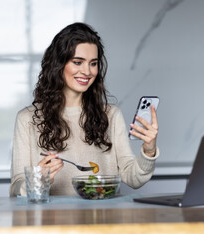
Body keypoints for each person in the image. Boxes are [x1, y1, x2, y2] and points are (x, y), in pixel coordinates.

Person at [10, 22, 159, 196]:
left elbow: (133, 178)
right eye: (78, 62)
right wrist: (38, 179)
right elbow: (15, 188)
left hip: (103, 220)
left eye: (93, 63)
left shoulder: (111, 115)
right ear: (58, 64)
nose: (87, 71)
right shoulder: (27, 119)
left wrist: (149, 151)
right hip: (53, 221)